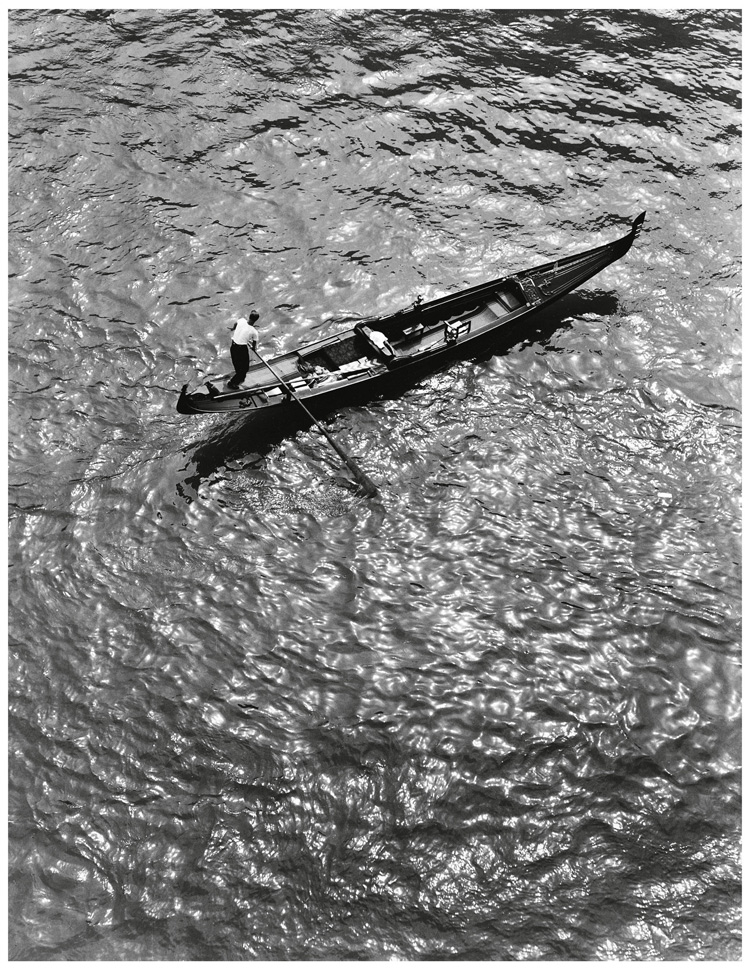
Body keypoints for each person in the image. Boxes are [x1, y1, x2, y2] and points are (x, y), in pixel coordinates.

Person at [227, 310, 259, 389]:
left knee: (237, 364)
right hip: (241, 349)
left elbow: (236, 323)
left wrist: (233, 329)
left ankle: (240, 377)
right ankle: (232, 383)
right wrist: (253, 348)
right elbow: (254, 343)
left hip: (233, 345)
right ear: (256, 320)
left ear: (249, 317)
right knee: (244, 368)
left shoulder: (242, 320)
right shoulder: (254, 331)